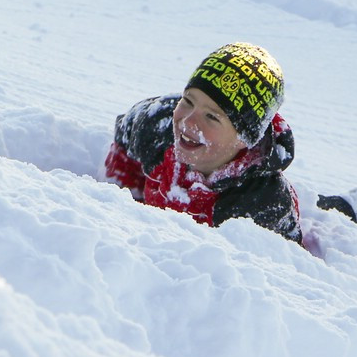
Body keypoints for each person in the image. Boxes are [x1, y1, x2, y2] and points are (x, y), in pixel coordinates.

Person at [103, 42, 303, 243]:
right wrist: (126, 200)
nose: (188, 121)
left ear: (246, 139)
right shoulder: (156, 123)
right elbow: (125, 141)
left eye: (211, 117)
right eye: (188, 101)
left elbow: (282, 262)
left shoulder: (261, 203)